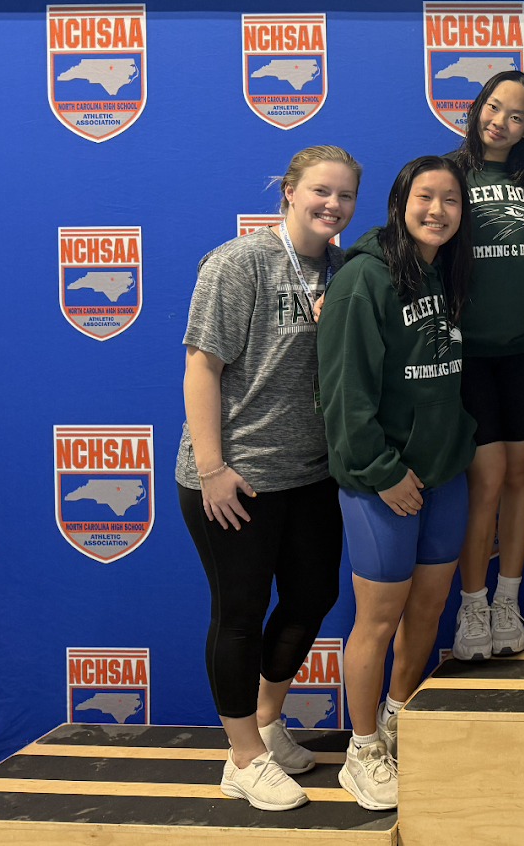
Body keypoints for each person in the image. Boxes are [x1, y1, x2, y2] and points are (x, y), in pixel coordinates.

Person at [178, 146, 359, 812]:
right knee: (239, 618)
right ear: (289, 191)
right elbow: (202, 367)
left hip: (309, 476)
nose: (332, 205)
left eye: (344, 196)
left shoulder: (344, 269)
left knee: (311, 598)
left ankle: (266, 721)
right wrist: (212, 469)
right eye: (320, 191)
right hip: (235, 480)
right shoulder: (239, 262)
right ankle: (243, 760)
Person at [318, 155, 478, 810]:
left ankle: (396, 718)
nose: (437, 210)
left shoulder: (445, 272)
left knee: (429, 608)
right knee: (377, 620)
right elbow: (344, 397)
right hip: (382, 480)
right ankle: (360, 751)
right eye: (425, 197)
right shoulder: (365, 278)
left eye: (450, 200)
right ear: (399, 202)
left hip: (443, 472)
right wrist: (384, 473)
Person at [445, 72, 524, 661]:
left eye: (515, 115)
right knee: (485, 480)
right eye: (493, 107)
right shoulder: (449, 172)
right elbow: (401, 236)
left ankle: (508, 599)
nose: (500, 121)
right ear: (477, 107)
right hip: (470, 354)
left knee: (520, 472)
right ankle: (473, 601)